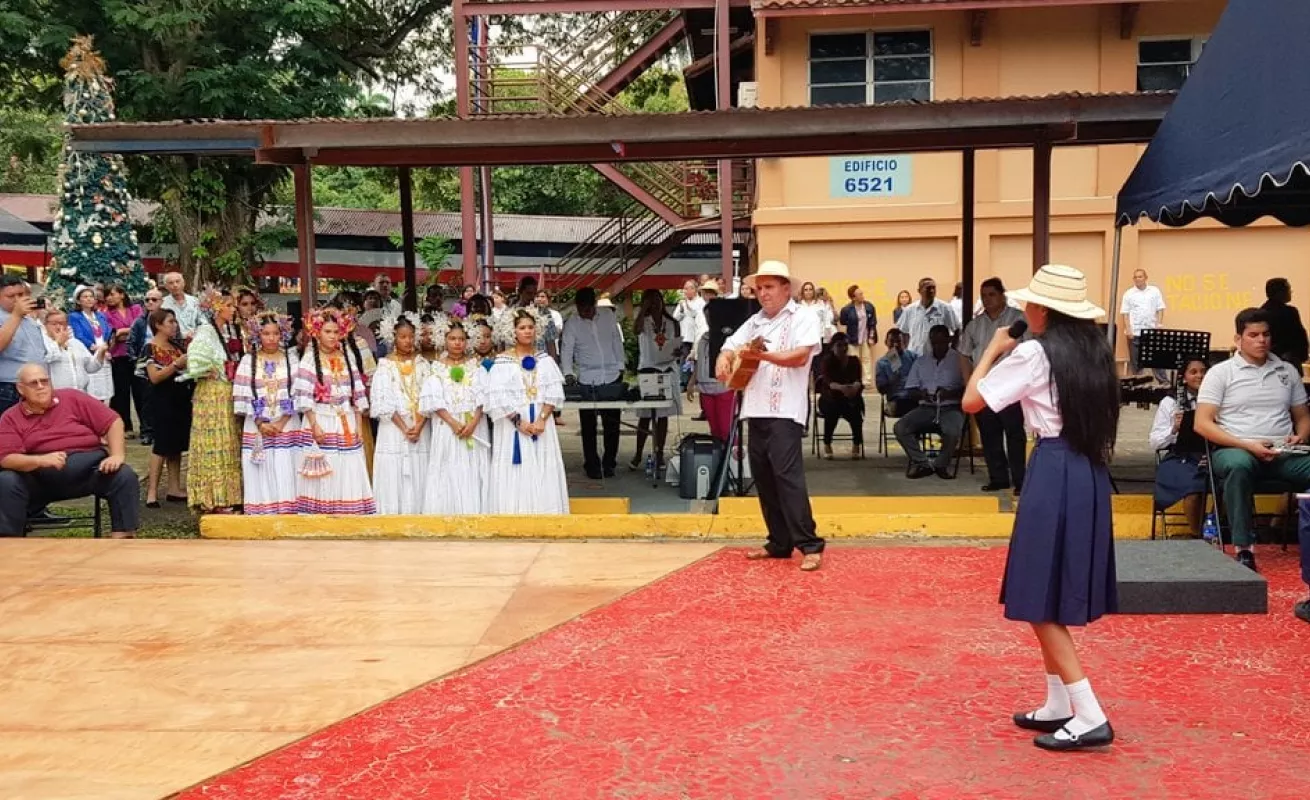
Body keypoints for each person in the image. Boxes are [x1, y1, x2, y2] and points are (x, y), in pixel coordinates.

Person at [962, 263, 1120, 752]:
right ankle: (1057, 703)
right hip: (1087, 469)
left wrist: (990, 350)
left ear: (1042, 310)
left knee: (1036, 592)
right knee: (1049, 591)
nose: (1023, 308)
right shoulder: (1093, 352)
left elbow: (972, 401)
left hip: (1053, 467)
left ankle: (1088, 711)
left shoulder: (1032, 353)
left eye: (1029, 302)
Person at [715, 260, 824, 572]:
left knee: (787, 477)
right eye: (759, 288)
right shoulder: (755, 322)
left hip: (785, 410)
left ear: (786, 288)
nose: (763, 293)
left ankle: (809, 544)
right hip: (756, 407)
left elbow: (800, 355)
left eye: (769, 287)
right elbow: (730, 344)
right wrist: (725, 357)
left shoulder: (804, 316)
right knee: (764, 477)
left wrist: (759, 356)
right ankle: (779, 541)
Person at [1194, 308, 1310, 571]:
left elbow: (1303, 416)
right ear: (1238, 339)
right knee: (1239, 467)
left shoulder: (1287, 371)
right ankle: (1244, 548)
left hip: (1282, 450)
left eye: (1266, 335)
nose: (1261, 341)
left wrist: (1299, 436)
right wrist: (1248, 445)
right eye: (1254, 335)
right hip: (1236, 447)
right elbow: (1201, 423)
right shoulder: (1221, 373)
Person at [0, 363, 139, 538]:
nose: (41, 387)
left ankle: (123, 540)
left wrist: (117, 455)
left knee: (123, 475)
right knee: (6, 480)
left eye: (44, 381)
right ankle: (9, 545)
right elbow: (6, 458)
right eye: (33, 383)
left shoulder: (72, 398)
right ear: (21, 389)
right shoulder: (10, 418)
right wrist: (40, 460)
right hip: (39, 478)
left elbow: (113, 421)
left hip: (89, 470)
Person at [486, 309, 569, 514]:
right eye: (522, 328)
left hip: (541, 422)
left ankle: (545, 511)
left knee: (542, 464)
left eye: (531, 327)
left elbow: (553, 392)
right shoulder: (502, 361)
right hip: (513, 425)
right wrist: (518, 422)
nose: (527, 331)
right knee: (516, 467)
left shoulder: (545, 359)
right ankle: (514, 512)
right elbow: (497, 397)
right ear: (513, 331)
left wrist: (542, 419)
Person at [294, 307, 375, 515]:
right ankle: (323, 514)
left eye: (335, 332)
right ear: (317, 332)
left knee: (347, 466)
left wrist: (358, 425)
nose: (332, 336)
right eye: (327, 331)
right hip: (321, 417)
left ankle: (347, 512)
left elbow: (357, 393)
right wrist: (314, 424)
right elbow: (304, 395)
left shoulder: (346, 356)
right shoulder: (311, 359)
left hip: (345, 419)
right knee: (325, 468)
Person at [960, 278, 1028, 493]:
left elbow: (1030, 351)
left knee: (1014, 435)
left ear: (1002, 295)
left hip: (1010, 387)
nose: (987, 299)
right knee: (990, 435)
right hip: (984, 387)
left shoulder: (1018, 320)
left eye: (991, 294)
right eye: (984, 296)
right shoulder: (975, 324)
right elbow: (963, 354)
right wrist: (968, 383)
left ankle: (1020, 480)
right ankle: (998, 478)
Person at [232, 311, 301, 515]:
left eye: (275, 333)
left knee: (286, 465)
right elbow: (243, 394)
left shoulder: (291, 360)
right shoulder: (248, 361)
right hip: (257, 425)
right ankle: (262, 510)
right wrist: (261, 422)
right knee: (260, 467)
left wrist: (282, 421)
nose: (271, 338)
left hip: (287, 424)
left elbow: (299, 391)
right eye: (266, 334)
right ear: (257, 335)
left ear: (282, 335)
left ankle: (288, 509)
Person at [183, 289, 245, 513]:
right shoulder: (207, 330)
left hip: (223, 391)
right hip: (211, 394)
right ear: (218, 308)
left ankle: (224, 496)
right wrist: (202, 369)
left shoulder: (222, 330)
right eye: (229, 306)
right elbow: (195, 358)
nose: (233, 310)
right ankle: (212, 499)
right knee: (214, 443)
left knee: (226, 442)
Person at [420, 320, 490, 514]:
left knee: (472, 466)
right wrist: (452, 422)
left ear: (467, 341)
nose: (457, 343)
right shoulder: (435, 368)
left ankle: (474, 510)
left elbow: (483, 398)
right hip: (447, 426)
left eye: (461, 339)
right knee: (448, 465)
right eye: (452, 338)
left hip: (474, 425)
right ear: (443, 340)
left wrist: (474, 422)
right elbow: (434, 400)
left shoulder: (476, 366)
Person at [368, 315, 431, 515]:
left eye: (411, 336)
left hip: (419, 426)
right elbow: (383, 401)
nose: (408, 341)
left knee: (419, 468)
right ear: (394, 338)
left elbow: (430, 398)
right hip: (394, 428)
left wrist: (419, 426)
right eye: (403, 337)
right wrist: (405, 428)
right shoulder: (385, 365)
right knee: (393, 470)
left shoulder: (423, 364)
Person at [560, 287, 625, 480]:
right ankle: (591, 464)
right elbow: (566, 349)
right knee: (588, 426)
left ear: (594, 305)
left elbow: (616, 341)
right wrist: (568, 373)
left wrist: (621, 365)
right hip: (587, 378)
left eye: (588, 308)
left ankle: (609, 463)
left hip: (612, 375)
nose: (585, 312)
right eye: (581, 309)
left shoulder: (608, 316)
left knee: (612, 424)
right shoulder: (572, 323)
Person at [894, 324, 967, 479]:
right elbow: (911, 389)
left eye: (942, 342)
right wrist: (922, 395)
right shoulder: (922, 361)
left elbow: (969, 388)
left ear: (949, 340)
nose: (938, 346)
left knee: (952, 431)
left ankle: (941, 464)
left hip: (951, 407)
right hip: (927, 407)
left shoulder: (960, 360)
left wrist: (950, 394)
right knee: (901, 427)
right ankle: (922, 463)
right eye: (935, 343)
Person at [1149, 357, 1210, 535]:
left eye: (1204, 371)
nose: (1200, 375)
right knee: (1193, 487)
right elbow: (1154, 442)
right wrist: (1174, 428)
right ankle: (1197, 534)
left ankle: (1220, 529)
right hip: (1180, 455)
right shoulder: (1170, 402)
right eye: (1194, 372)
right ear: (1183, 378)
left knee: (1223, 482)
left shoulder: (1217, 399)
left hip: (1209, 454)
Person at [142, 308, 193, 507]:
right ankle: (152, 492)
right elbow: (154, 377)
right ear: (158, 325)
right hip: (161, 399)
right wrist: (175, 365)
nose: (174, 325)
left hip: (179, 398)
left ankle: (174, 487)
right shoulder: (150, 348)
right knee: (161, 445)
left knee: (176, 444)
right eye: (170, 322)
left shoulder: (176, 346)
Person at [629, 290, 682, 475]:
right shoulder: (643, 322)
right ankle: (638, 454)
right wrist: (643, 309)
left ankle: (659, 453)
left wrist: (678, 352)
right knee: (645, 416)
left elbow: (677, 345)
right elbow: (635, 330)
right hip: (648, 368)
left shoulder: (672, 323)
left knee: (663, 415)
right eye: (650, 301)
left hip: (667, 369)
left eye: (657, 300)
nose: (655, 304)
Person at [101, 285, 142, 432]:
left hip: (136, 355)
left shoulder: (135, 309)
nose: (108, 298)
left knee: (141, 392)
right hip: (118, 356)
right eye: (107, 295)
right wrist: (123, 333)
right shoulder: (106, 315)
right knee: (121, 393)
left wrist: (123, 332)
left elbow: (140, 328)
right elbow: (112, 334)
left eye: (112, 294)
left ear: (122, 294)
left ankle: (146, 427)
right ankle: (125, 427)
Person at [818, 332, 864, 459]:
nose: (843, 348)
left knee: (856, 412)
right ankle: (827, 443)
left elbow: (858, 380)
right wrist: (842, 388)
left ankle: (856, 444)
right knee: (832, 411)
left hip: (849, 398)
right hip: (830, 398)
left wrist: (855, 386)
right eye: (839, 345)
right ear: (833, 346)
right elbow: (828, 382)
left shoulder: (854, 361)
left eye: (845, 345)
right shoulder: (827, 361)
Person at [126, 288, 163, 446]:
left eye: (154, 300)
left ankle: (161, 431)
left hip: (164, 364)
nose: (150, 303)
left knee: (162, 400)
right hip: (145, 366)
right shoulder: (139, 322)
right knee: (145, 401)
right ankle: (146, 432)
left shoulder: (167, 319)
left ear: (161, 302)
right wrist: (136, 361)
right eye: (147, 300)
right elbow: (130, 343)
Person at [67, 286, 114, 403]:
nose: (89, 299)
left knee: (103, 389)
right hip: (89, 354)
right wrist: (94, 348)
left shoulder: (100, 315)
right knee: (92, 391)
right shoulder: (74, 316)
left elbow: (108, 331)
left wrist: (106, 348)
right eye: (85, 297)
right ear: (78, 301)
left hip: (104, 353)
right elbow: (79, 335)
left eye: (91, 296)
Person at [42, 308, 107, 393]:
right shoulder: (43, 343)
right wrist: (58, 343)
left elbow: (90, 367)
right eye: (54, 324)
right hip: (57, 394)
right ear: (45, 325)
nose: (58, 326)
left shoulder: (76, 343)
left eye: (62, 323)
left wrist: (101, 352)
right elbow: (49, 358)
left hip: (81, 393)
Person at [1119, 269, 1167, 381]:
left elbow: (1160, 309)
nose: (1137, 279)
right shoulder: (1129, 294)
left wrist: (1158, 325)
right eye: (1135, 277)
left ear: (1145, 277)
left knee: (1157, 358)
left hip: (1151, 331)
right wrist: (1128, 329)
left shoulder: (1154, 291)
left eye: (1140, 277)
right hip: (1135, 332)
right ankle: (1138, 383)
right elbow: (1125, 313)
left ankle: (1164, 382)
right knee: (1136, 361)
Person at [898, 277, 960, 355]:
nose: (932, 291)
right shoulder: (910, 310)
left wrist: (952, 349)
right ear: (919, 291)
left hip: (937, 358)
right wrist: (905, 352)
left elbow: (957, 330)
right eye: (928, 288)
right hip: (914, 356)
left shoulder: (945, 308)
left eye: (933, 288)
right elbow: (903, 332)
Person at [1260, 277, 1308, 367]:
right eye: (1288, 289)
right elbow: (1299, 337)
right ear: (1280, 292)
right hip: (1289, 361)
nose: (1290, 292)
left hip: (1267, 362)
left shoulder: (1261, 312)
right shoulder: (1290, 312)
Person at [840, 285, 878, 386]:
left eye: (862, 293)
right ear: (853, 297)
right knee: (853, 360)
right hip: (853, 338)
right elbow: (843, 321)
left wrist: (871, 336)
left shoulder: (869, 306)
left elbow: (873, 323)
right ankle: (854, 380)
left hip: (865, 337)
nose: (862, 296)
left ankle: (867, 382)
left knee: (866, 359)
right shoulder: (847, 309)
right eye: (860, 294)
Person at [875, 327, 918, 418]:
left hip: (913, 397)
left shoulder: (913, 357)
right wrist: (892, 380)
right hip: (895, 400)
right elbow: (881, 390)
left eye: (898, 341)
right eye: (892, 341)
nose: (895, 344)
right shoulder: (882, 363)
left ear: (904, 343)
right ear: (886, 342)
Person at [160, 271, 202, 339]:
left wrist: (196, 333)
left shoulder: (194, 301)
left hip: (196, 340)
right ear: (166, 287)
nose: (175, 285)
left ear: (183, 283)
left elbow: (202, 322)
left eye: (177, 281)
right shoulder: (163, 304)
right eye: (171, 283)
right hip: (174, 342)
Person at [673, 279, 704, 360]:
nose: (687, 291)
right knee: (685, 365)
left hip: (697, 338)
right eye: (685, 289)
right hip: (685, 337)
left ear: (696, 290)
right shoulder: (682, 303)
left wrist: (686, 304)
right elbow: (675, 317)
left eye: (690, 288)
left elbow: (694, 314)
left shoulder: (701, 301)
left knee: (696, 364)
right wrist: (682, 309)